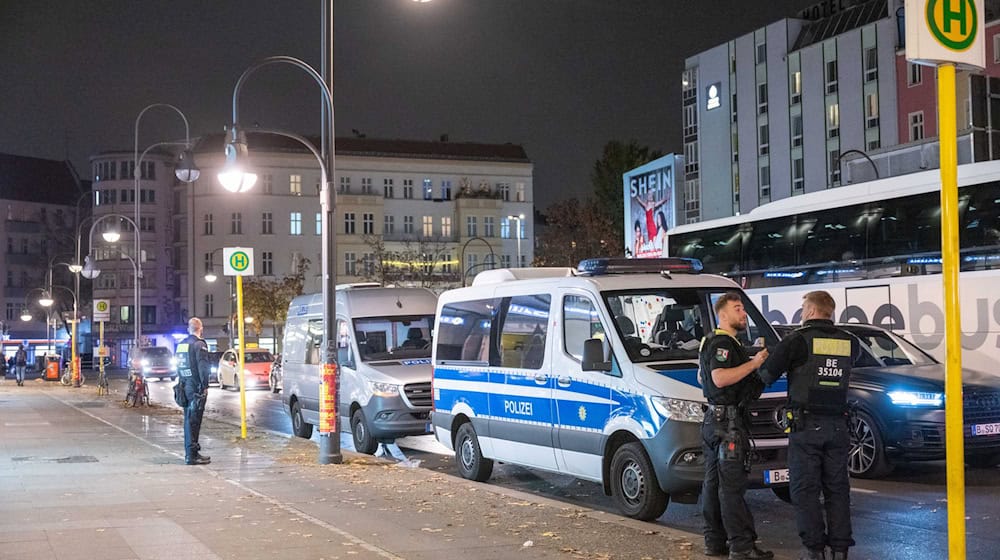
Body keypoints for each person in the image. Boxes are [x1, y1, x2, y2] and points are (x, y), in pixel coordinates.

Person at [760, 291, 856, 560]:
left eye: (804, 308)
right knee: (837, 489)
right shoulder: (850, 342)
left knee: (805, 489)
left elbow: (767, 375)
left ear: (813, 311)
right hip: (838, 425)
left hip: (805, 426)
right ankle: (840, 550)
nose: (802, 313)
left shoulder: (796, 341)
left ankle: (814, 550)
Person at [699, 292, 773, 560]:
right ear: (723, 315)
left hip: (713, 422)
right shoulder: (723, 343)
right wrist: (753, 363)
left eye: (743, 309)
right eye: (738, 309)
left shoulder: (709, 341)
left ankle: (714, 542)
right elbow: (719, 378)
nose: (743, 313)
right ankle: (741, 547)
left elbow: (702, 377)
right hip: (728, 426)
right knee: (731, 487)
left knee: (713, 483)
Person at [175, 317, 212, 465]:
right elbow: (203, 368)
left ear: (188, 329)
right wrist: (205, 385)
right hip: (195, 386)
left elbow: (178, 366)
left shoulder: (181, 345)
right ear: (200, 328)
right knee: (194, 421)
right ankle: (191, 455)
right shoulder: (199, 344)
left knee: (188, 419)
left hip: (184, 385)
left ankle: (192, 451)